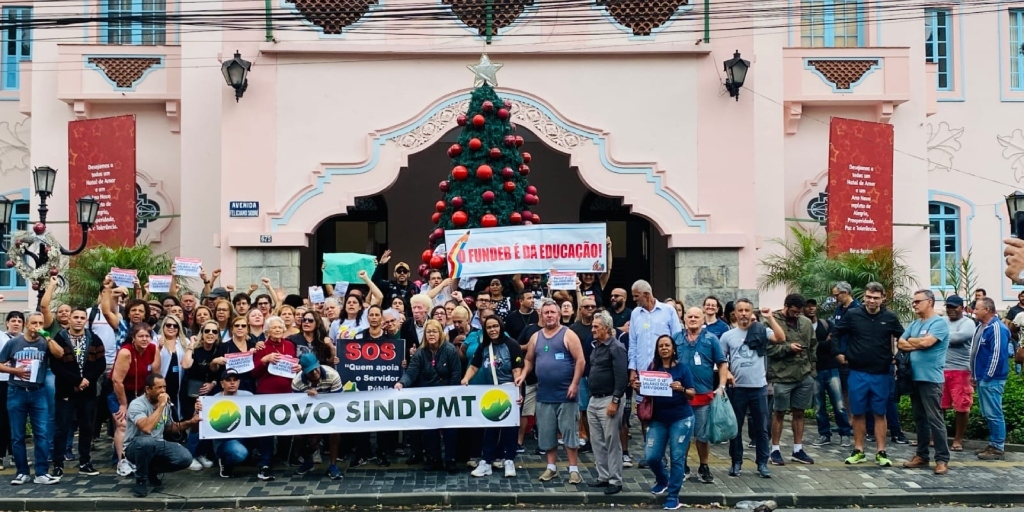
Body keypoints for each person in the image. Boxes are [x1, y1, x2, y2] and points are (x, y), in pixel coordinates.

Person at [832, 282, 904, 467]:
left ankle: (881, 452)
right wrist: (838, 353)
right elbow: (836, 333)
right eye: (869, 297)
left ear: (883, 298)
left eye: (876, 297)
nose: (872, 301)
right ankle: (859, 450)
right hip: (857, 372)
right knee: (857, 413)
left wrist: (898, 357)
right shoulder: (853, 315)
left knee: (880, 413)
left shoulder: (889, 317)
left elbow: (903, 338)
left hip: (881, 373)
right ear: (863, 297)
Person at [518, 298, 586, 484]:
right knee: (547, 433)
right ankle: (551, 467)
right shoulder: (535, 337)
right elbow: (529, 360)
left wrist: (574, 384)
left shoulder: (568, 334)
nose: (549, 315)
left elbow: (580, 360)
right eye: (545, 312)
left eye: (552, 312)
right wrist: (523, 374)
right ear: (541, 315)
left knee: (569, 433)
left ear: (558, 314)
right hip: (544, 395)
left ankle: (573, 470)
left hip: (566, 394)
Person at [719, 300, 781, 479]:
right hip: (738, 389)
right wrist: (728, 373)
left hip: (758, 388)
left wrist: (770, 318)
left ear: (751, 312)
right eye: (741, 310)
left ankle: (762, 463)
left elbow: (780, 338)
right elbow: (721, 361)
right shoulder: (728, 336)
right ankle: (736, 462)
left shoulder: (761, 330)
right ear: (735, 314)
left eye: (747, 310)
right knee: (735, 428)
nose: (744, 313)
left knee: (761, 428)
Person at [633, 335, 695, 511]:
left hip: (681, 418)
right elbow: (645, 391)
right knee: (652, 456)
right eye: (661, 346)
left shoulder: (683, 369)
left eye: (667, 345)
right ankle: (662, 479)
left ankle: (673, 496)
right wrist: (638, 387)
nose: (664, 348)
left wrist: (681, 389)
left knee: (677, 458)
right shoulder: (653, 369)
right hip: (658, 419)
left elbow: (692, 393)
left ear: (673, 348)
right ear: (657, 350)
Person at [0, 312, 61, 485]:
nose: (37, 326)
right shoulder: (14, 342)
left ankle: (41, 472)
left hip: (38, 392)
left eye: (40, 323)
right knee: (17, 435)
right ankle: (22, 472)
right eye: (34, 323)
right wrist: (15, 371)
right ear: (27, 324)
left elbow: (59, 354)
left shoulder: (44, 342)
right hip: (16, 391)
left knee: (41, 433)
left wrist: (47, 337)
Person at [672, 307, 729, 483]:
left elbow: (722, 363)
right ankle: (683, 466)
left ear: (703, 319)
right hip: (680, 396)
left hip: (703, 396)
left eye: (697, 316)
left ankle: (704, 466)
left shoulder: (711, 339)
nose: (693, 319)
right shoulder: (676, 338)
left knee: (702, 436)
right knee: (682, 434)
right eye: (690, 316)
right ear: (684, 319)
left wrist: (721, 385)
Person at [396, 319, 461, 472]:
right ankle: (434, 459)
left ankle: (450, 459)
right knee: (430, 429)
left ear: (440, 333)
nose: (431, 334)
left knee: (449, 429)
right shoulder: (420, 352)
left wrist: (452, 394)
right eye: (428, 331)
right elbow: (412, 372)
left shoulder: (450, 350)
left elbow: (456, 374)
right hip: (428, 396)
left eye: (434, 331)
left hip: (447, 395)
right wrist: (402, 383)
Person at [48, 308, 106, 477]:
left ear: (86, 320)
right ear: (70, 319)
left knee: (86, 427)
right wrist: (76, 381)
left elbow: (101, 363)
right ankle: (58, 465)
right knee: (62, 428)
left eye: (82, 317)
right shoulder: (60, 338)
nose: (79, 320)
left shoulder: (94, 339)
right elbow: (56, 365)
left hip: (88, 391)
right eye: (76, 317)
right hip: (66, 391)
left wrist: (87, 379)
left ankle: (85, 462)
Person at [464, 315, 524, 478]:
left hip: (509, 391)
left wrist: (518, 393)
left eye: (495, 326)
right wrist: (466, 379)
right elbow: (474, 366)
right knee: (491, 428)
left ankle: (509, 460)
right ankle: (486, 462)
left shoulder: (511, 345)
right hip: (491, 393)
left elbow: (517, 370)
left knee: (510, 428)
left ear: (501, 327)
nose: (492, 330)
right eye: (489, 327)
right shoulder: (484, 347)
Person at [898, 290, 951, 475]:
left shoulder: (939, 323)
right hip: (914, 377)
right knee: (920, 419)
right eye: (913, 302)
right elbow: (900, 343)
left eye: (917, 301)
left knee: (935, 419)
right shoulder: (915, 323)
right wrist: (916, 342)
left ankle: (942, 459)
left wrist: (913, 341)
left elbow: (927, 343)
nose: (914, 304)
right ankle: (921, 455)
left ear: (929, 302)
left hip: (931, 379)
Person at [124, 373, 199, 497]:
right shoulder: (137, 404)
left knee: (185, 458)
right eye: (159, 388)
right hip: (135, 446)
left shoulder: (165, 405)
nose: (163, 391)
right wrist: (162, 405)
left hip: (158, 444)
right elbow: (146, 428)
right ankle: (141, 480)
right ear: (148, 389)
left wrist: (191, 422)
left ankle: (151, 470)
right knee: (147, 442)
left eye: (164, 387)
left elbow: (170, 428)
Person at [766, 294, 817, 466]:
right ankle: (775, 450)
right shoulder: (772, 322)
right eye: (794, 311)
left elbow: (813, 346)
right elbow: (769, 350)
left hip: (804, 374)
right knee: (778, 413)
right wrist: (788, 348)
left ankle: (798, 449)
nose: (797, 314)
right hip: (782, 376)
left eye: (799, 312)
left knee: (799, 412)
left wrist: (812, 372)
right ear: (786, 306)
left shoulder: (806, 323)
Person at [585, 311, 628, 495]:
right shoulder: (597, 346)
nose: (592, 329)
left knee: (611, 441)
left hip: (610, 398)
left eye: (596, 327)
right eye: (592, 326)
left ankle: (615, 480)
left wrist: (615, 401)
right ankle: (603, 476)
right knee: (597, 440)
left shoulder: (616, 347)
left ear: (607, 329)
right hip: (594, 399)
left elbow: (622, 377)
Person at [805, 298, 851, 448]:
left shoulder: (826, 324)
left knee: (839, 404)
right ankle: (824, 434)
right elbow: (806, 346)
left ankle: (845, 433)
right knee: (819, 407)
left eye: (813, 306)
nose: (811, 308)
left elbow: (832, 343)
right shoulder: (803, 326)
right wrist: (821, 344)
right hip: (814, 370)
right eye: (808, 306)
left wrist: (816, 345)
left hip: (831, 369)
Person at [291, 352, 343, 479]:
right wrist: (305, 396)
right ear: (303, 370)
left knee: (334, 432)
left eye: (316, 369)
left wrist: (318, 396)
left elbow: (338, 401)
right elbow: (298, 406)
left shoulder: (333, 375)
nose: (314, 373)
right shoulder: (297, 382)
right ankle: (308, 461)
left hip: (332, 412)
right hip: (308, 415)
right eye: (310, 371)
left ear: (319, 364)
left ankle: (333, 465)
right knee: (298, 437)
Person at [970, 298, 1010, 461]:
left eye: (977, 309)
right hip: (981, 377)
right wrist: (974, 374)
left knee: (994, 412)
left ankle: (998, 446)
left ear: (987, 310)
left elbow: (998, 355)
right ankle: (994, 443)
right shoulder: (981, 327)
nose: (974, 311)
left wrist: (987, 375)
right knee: (988, 412)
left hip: (992, 378)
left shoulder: (997, 328)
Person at [941, 295, 977, 452]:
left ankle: (958, 439)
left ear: (962, 308)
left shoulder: (968, 323)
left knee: (962, 407)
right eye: (948, 306)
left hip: (961, 370)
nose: (951, 310)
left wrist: (936, 336)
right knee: (938, 406)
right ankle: (937, 437)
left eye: (954, 307)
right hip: (941, 369)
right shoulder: (942, 321)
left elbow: (959, 337)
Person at [212, 369, 252, 478]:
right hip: (225, 440)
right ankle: (225, 461)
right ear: (222, 383)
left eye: (235, 380)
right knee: (240, 453)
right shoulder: (213, 400)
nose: (232, 383)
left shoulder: (249, 395)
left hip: (245, 435)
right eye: (228, 380)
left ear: (239, 382)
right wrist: (198, 409)